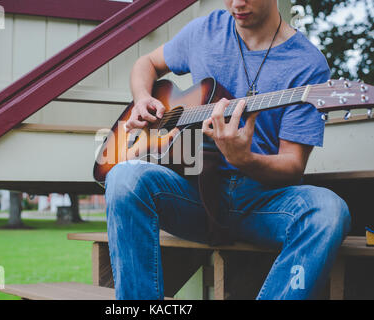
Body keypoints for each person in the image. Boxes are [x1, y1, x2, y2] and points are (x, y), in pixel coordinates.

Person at [104, 0, 351, 300]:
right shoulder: (204, 32)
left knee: (328, 210)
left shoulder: (307, 63)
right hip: (195, 194)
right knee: (123, 177)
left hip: (262, 202)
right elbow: (147, 63)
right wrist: (142, 97)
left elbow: (293, 164)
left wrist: (243, 159)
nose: (237, 3)